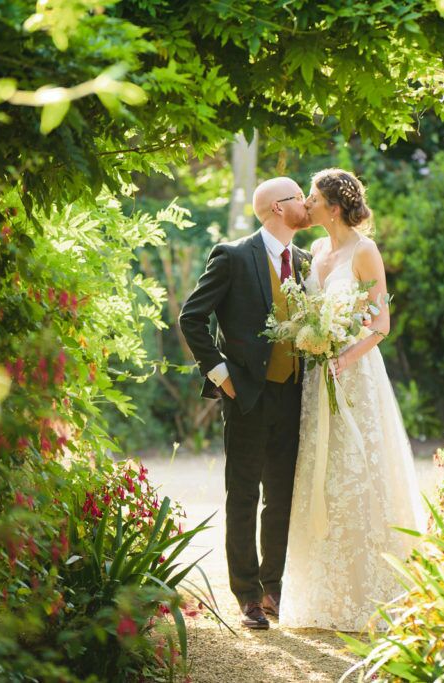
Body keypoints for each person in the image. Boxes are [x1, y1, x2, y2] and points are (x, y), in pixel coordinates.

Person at [280, 168, 427, 632]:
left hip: (354, 375)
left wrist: (343, 357)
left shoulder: (365, 251)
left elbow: (380, 324)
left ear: (334, 206)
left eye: (313, 197)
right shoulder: (319, 250)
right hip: (316, 378)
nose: (307, 203)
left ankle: (372, 592)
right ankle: (322, 595)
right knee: (320, 477)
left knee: (358, 473)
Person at [178, 176, 311, 630]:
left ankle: (273, 589)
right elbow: (191, 317)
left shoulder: (306, 262)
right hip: (247, 397)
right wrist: (220, 374)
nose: (308, 204)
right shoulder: (233, 256)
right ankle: (248, 596)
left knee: (281, 497)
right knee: (244, 495)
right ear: (278, 208)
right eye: (300, 198)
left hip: (294, 396)